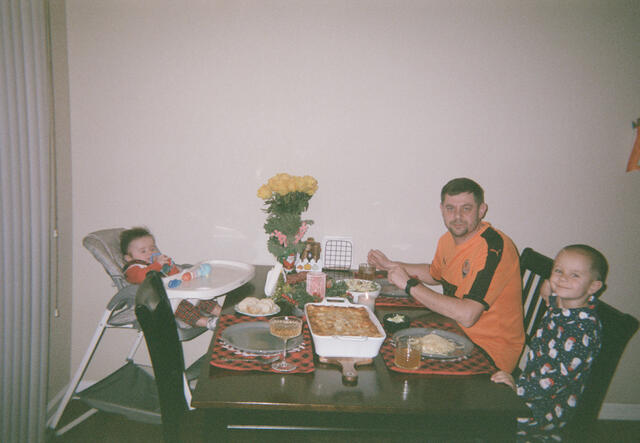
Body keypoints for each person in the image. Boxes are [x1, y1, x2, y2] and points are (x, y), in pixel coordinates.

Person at [368, 177, 525, 372]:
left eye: (466, 208)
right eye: (451, 209)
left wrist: (409, 285)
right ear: (442, 209)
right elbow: (435, 275)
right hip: (454, 334)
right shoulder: (448, 239)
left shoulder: (494, 248)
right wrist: (391, 265)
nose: (457, 216)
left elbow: (468, 315)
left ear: (481, 210)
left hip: (489, 354)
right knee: (386, 343)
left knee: (395, 365)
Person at [491, 244, 606, 441]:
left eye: (575, 275)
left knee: (483, 416)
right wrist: (548, 285)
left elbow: (555, 380)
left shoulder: (582, 331)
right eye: (558, 271)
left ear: (594, 286)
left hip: (546, 407)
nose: (563, 278)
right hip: (532, 385)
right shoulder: (564, 302)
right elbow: (553, 292)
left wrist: (516, 388)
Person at [120, 227, 221, 330]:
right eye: (143, 251)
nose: (150, 253)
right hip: (161, 301)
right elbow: (142, 277)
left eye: (152, 249)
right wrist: (157, 265)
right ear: (129, 258)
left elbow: (175, 276)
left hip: (176, 292)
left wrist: (170, 267)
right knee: (183, 308)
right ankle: (208, 323)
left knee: (202, 298)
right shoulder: (132, 269)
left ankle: (223, 314)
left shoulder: (156, 264)